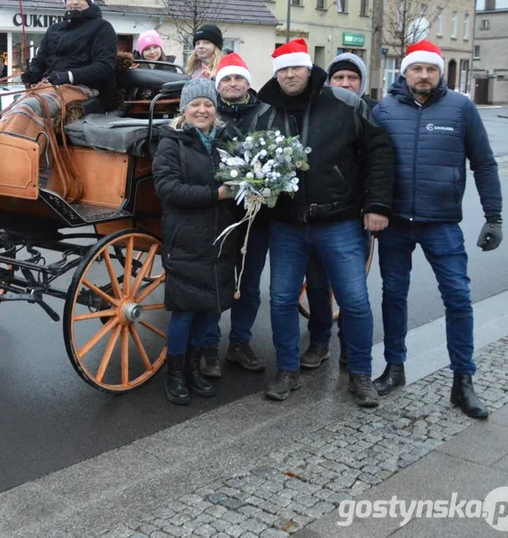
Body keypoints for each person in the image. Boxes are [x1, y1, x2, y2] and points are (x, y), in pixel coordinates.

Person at [256, 39, 394, 408]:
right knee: (283, 298)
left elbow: (379, 152)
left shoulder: (345, 103)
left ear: (308, 69)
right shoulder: (266, 112)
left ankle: (361, 374)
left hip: (339, 220)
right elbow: (253, 159)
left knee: (354, 301)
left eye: (295, 68)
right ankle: (287, 370)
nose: (289, 75)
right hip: (287, 224)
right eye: (282, 69)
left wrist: (377, 204)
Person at [371, 40, 502, 419]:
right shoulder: (385, 109)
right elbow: (371, 165)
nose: (424, 75)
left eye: (431, 69)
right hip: (395, 223)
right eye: (417, 69)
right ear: (405, 72)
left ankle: (463, 381)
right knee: (394, 295)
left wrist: (494, 216)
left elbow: (485, 163)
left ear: (439, 73)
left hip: (441, 223)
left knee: (458, 299)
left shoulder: (461, 108)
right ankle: (394, 367)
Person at [152, 79, 244, 405]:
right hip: (187, 237)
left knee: (209, 310)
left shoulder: (227, 139)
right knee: (184, 312)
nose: (202, 110)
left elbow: (243, 176)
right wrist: (214, 194)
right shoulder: (172, 142)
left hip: (221, 237)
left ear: (214, 109)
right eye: (195, 105)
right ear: (184, 110)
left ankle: (193, 369)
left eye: (207, 104)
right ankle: (175, 374)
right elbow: (167, 188)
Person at [199, 52, 271, 376]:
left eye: (238, 78)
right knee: (216, 279)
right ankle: (209, 346)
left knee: (249, 283)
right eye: (226, 79)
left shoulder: (267, 113)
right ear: (218, 85)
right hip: (218, 212)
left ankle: (240, 342)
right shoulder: (207, 113)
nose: (232, 84)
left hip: (257, 215)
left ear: (247, 83)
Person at [302, 52, 375, 370]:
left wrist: (374, 206)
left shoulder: (370, 114)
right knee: (317, 285)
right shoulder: (317, 111)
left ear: (361, 83)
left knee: (351, 290)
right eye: (339, 78)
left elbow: (379, 164)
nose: (345, 83)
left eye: (352, 78)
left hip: (353, 216)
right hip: (318, 215)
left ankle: (351, 349)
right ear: (330, 82)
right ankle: (319, 342)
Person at [0, 0, 116, 147]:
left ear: (89, 1)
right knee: (10, 109)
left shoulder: (102, 28)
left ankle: (16, 154)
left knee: (28, 108)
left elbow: (105, 68)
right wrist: (33, 72)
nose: (75, 2)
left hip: (82, 88)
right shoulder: (54, 29)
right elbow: (40, 60)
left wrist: (69, 76)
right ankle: (0, 148)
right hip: (50, 87)